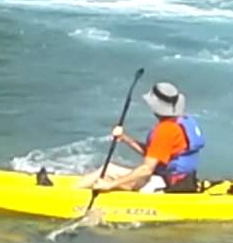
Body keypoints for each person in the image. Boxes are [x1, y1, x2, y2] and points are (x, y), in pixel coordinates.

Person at [76, 81, 204, 193]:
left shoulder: (165, 130)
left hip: (166, 184)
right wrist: (125, 138)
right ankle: (73, 190)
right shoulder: (184, 121)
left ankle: (69, 195)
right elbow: (155, 154)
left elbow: (146, 170)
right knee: (109, 170)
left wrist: (110, 185)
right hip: (184, 179)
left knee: (108, 170)